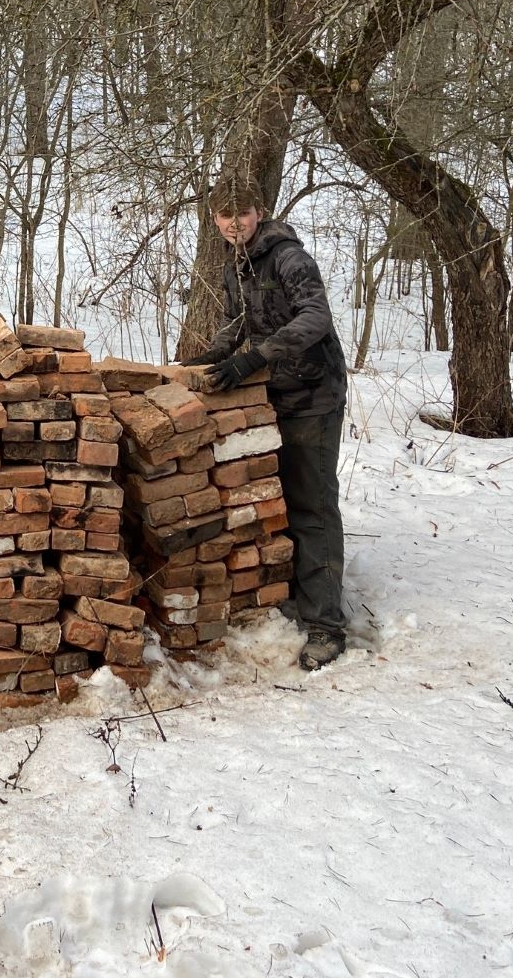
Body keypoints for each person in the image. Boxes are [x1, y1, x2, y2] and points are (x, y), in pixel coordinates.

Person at [183, 176, 349, 671]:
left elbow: (315, 318)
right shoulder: (238, 262)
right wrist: (213, 355)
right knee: (280, 499)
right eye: (224, 216)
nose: (235, 223)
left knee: (312, 504)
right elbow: (237, 320)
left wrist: (254, 358)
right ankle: (295, 594)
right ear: (215, 220)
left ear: (259, 212)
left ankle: (326, 627)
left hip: (313, 394)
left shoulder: (288, 258)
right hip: (274, 392)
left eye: (243, 213)